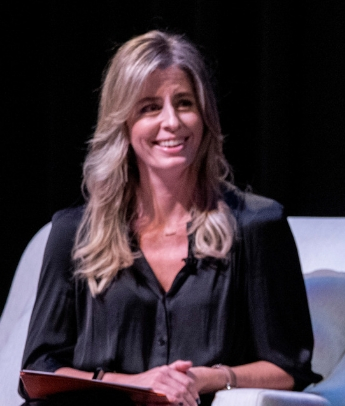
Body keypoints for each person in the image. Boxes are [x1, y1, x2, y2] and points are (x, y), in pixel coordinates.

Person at [20, 30, 322, 406]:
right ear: (123, 124)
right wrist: (134, 384)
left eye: (184, 103)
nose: (172, 122)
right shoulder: (73, 232)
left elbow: (289, 367)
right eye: (149, 107)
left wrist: (204, 377)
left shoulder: (256, 225)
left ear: (205, 116)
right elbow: (39, 370)